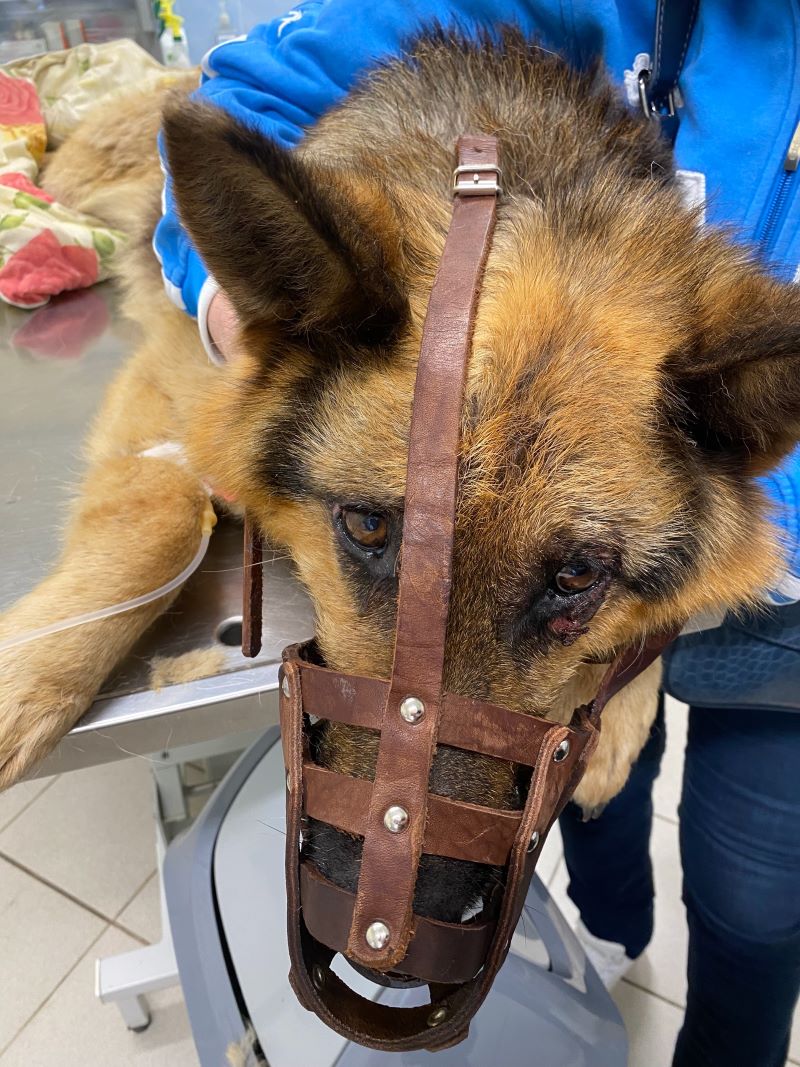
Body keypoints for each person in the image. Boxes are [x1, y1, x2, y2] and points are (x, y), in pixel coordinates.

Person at [156, 4, 800, 1064]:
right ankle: (616, 934)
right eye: (370, 526)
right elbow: (240, 100)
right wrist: (267, 334)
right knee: (592, 793)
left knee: (755, 905)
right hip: (603, 510)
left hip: (746, 589)